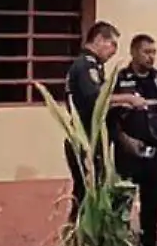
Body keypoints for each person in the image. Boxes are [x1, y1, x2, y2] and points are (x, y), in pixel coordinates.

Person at [63, 21, 147, 221]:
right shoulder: (86, 66)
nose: (113, 52)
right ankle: (78, 241)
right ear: (99, 40)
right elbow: (96, 98)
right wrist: (126, 98)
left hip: (92, 139)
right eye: (112, 45)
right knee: (86, 194)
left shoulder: (94, 66)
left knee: (91, 191)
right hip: (85, 140)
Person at [110, 34, 157, 246]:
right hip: (129, 153)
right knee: (122, 205)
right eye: (146, 52)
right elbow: (111, 119)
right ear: (134, 52)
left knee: (152, 206)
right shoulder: (121, 80)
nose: (151, 57)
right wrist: (125, 141)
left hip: (156, 152)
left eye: (153, 52)